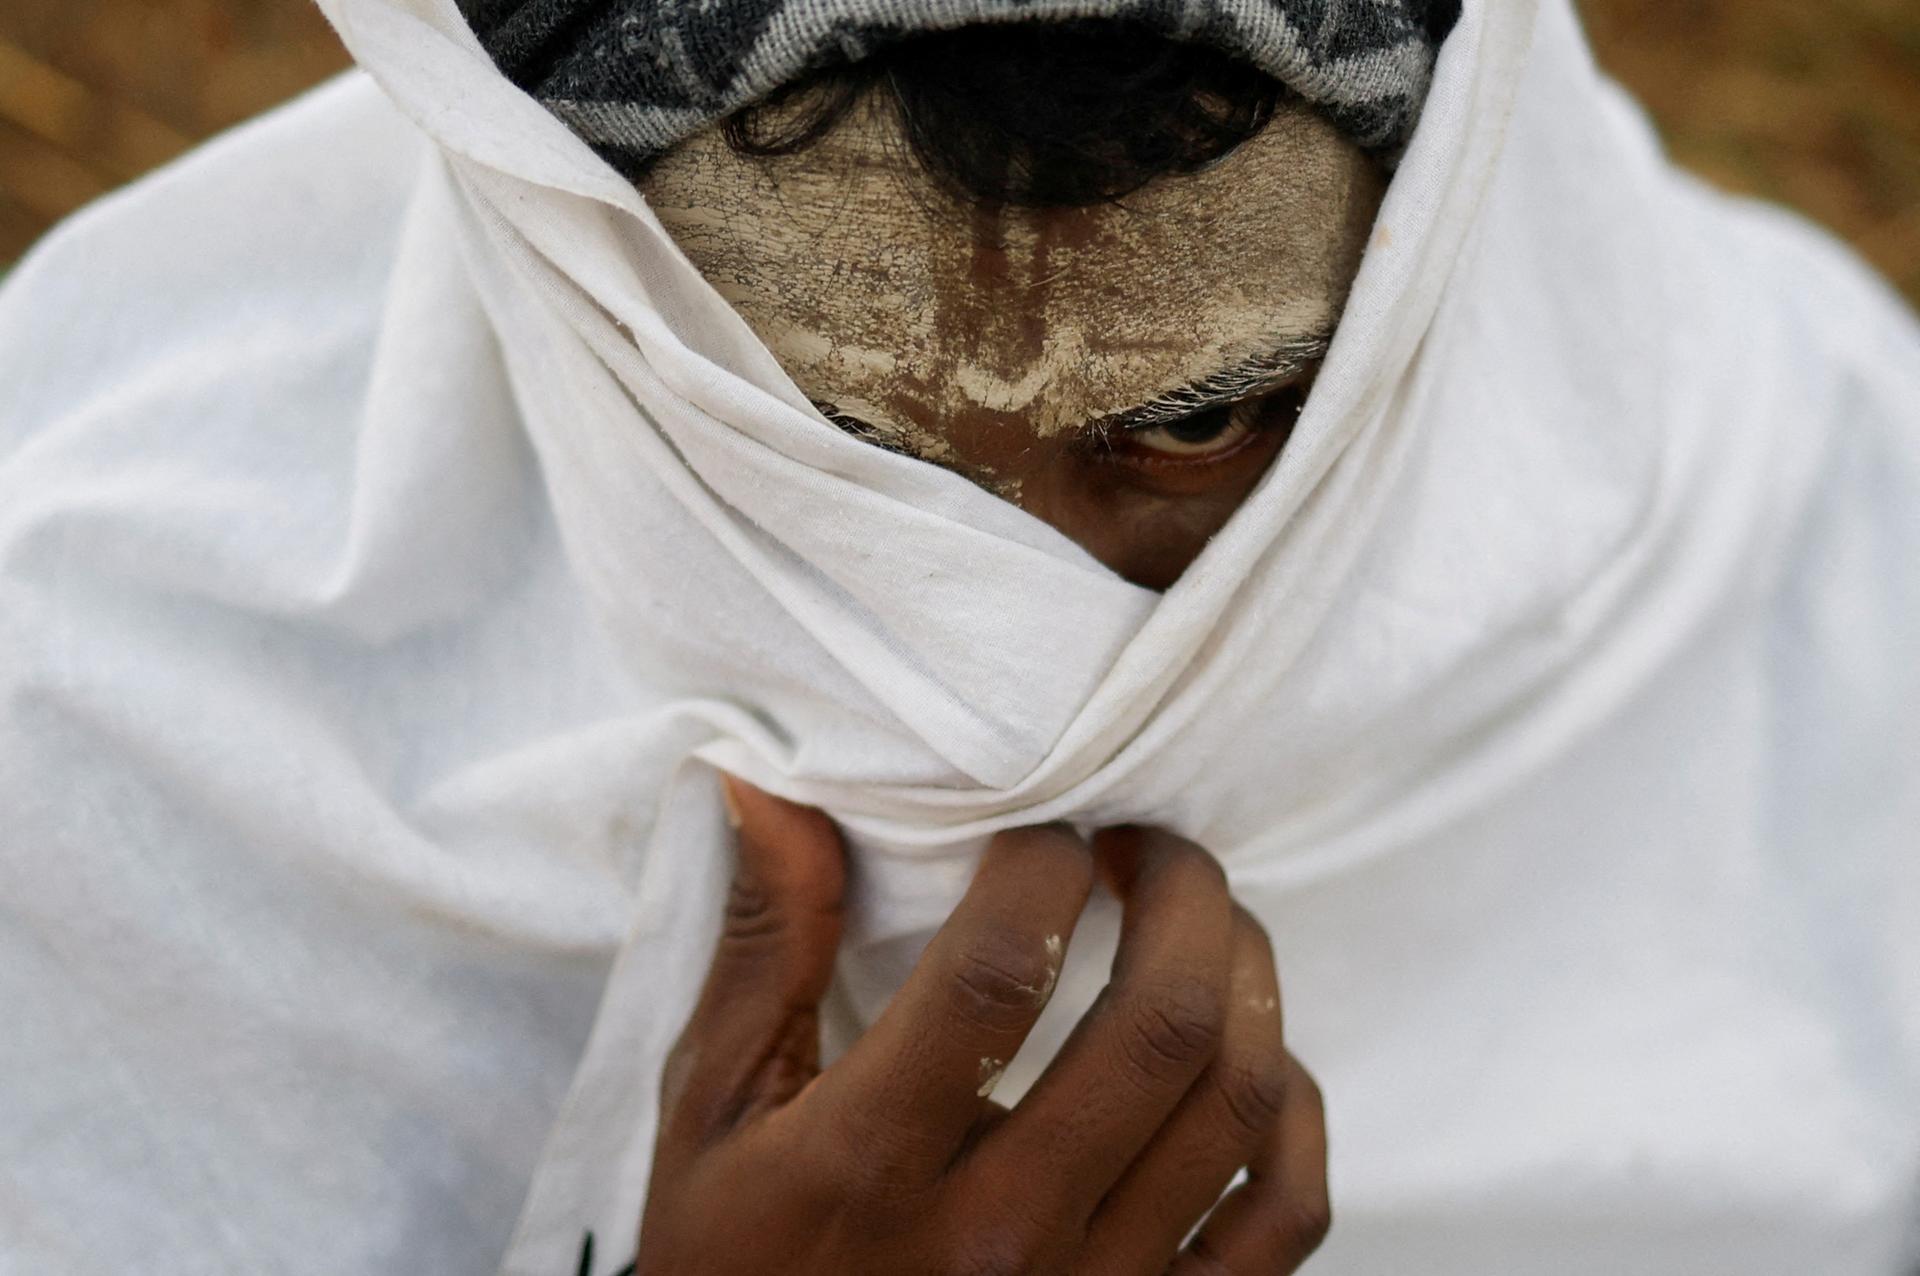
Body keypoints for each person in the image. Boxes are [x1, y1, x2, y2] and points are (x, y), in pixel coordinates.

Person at [0, 1, 1916, 1274]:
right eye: (809, 460)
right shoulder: (92, 689)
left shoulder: (1832, 534)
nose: (1001, 694)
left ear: (1448, 286)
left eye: (1198, 425)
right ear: (570, 293)